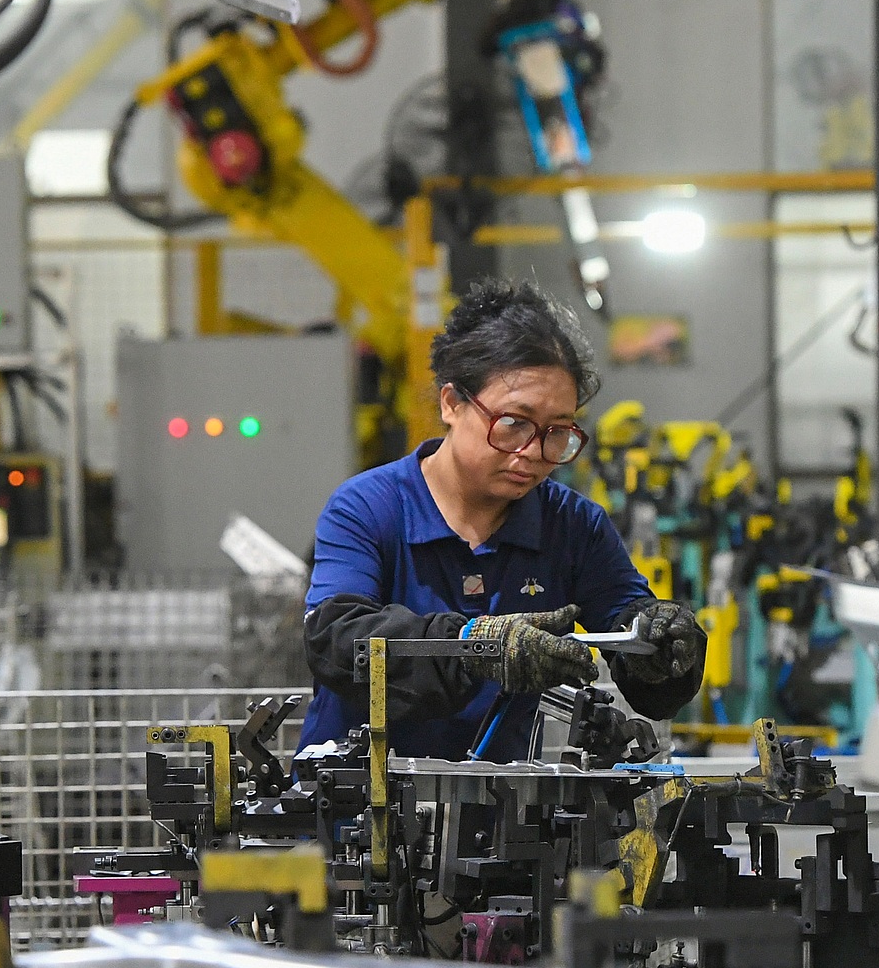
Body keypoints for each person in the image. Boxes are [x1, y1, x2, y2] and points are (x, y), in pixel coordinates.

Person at [299, 279, 706, 760]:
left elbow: (630, 632)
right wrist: (474, 646)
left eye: (557, 431)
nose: (533, 452)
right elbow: (338, 639)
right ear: (452, 403)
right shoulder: (368, 509)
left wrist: (661, 644)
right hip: (363, 793)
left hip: (498, 799)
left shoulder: (573, 526)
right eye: (513, 423)